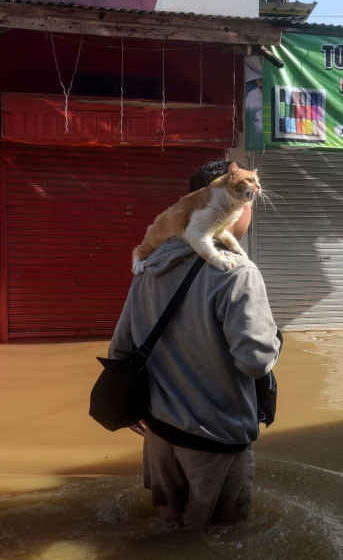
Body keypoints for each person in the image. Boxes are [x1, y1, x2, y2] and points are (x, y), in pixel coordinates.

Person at [107, 159, 281, 531]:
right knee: (219, 536)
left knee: (168, 526)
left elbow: (121, 347)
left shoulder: (150, 263)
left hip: (158, 432)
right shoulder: (237, 272)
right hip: (215, 437)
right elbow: (254, 361)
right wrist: (274, 340)